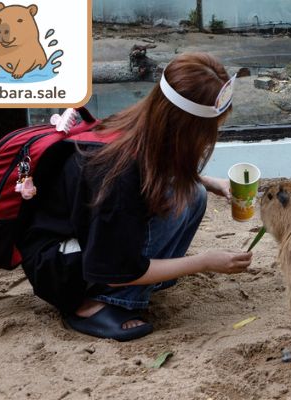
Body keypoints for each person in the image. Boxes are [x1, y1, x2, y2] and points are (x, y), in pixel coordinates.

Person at [19, 52, 253, 341]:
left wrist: (206, 181)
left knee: (193, 193)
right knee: (179, 201)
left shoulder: (143, 124)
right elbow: (119, 265)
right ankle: (93, 305)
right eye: (208, 130)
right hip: (60, 264)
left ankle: (136, 285)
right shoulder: (117, 174)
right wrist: (205, 261)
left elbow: (155, 170)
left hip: (88, 232)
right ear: (186, 128)